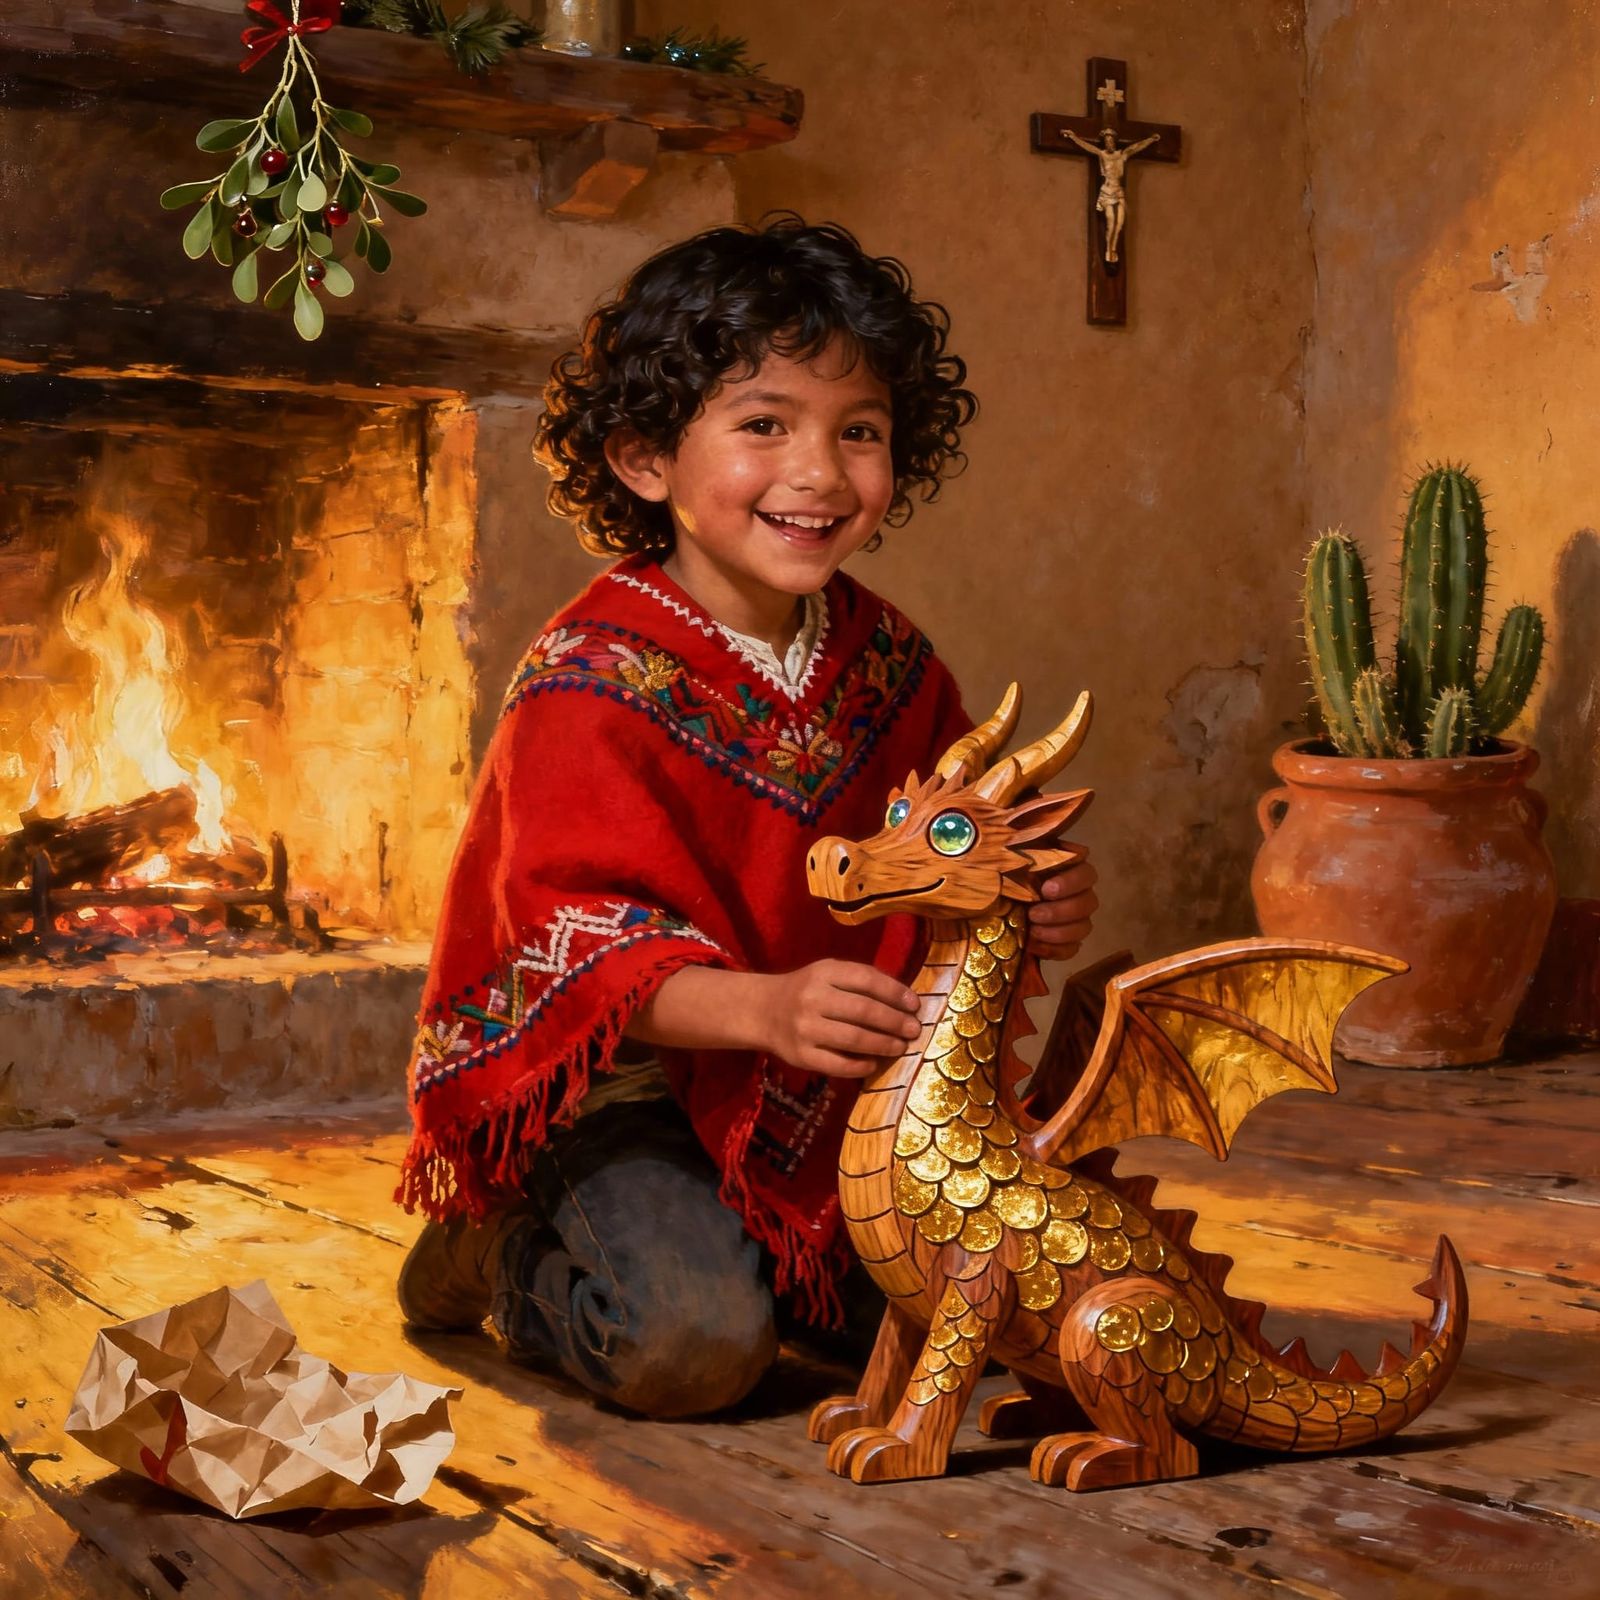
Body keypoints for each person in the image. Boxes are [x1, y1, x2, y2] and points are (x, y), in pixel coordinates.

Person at [395, 214, 1098, 1418]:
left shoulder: (891, 664)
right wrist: (762, 1008)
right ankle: (499, 1250)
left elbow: (947, 839)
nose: (820, 471)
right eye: (765, 423)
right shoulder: (589, 674)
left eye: (858, 432)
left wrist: (1028, 888)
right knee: (697, 1350)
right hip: (618, 1093)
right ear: (644, 458)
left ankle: (767, 1247)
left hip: (830, 1091)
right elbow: (568, 943)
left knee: (983, 1304)